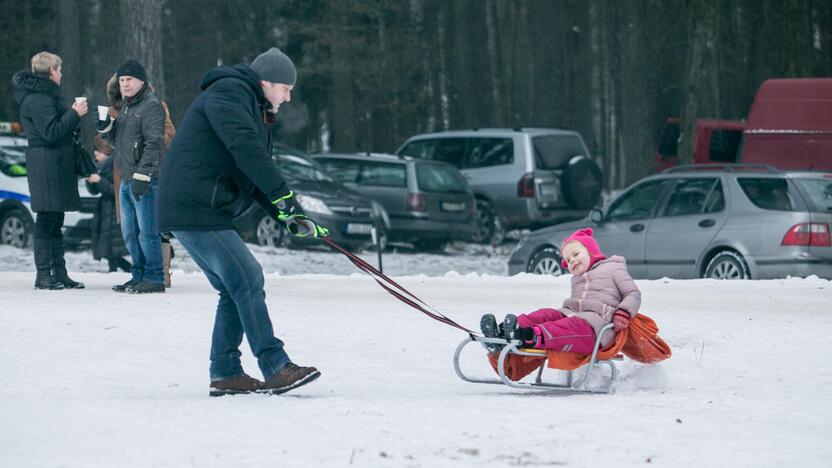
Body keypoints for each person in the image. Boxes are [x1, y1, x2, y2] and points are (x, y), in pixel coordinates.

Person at [157, 47, 328, 396]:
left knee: (233, 288)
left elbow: (251, 173)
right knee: (248, 277)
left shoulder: (249, 105)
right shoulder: (229, 94)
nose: (289, 96)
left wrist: (290, 217)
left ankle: (225, 372)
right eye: (285, 88)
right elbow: (246, 151)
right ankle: (275, 366)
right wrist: (288, 202)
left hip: (197, 207)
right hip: (194, 207)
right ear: (266, 82)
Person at [481, 228, 641, 354]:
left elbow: (633, 293)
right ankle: (502, 333)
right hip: (572, 313)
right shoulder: (577, 278)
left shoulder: (613, 267)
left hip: (596, 327)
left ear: (591, 251)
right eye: (568, 260)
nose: (572, 261)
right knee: (546, 314)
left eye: (576, 254)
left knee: (568, 326)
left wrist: (623, 312)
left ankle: (529, 336)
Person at [12, 51, 87, 290]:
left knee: (55, 218)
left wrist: (73, 119)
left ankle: (59, 273)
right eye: (60, 69)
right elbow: (51, 132)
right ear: (52, 71)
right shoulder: (39, 99)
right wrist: (74, 114)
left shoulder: (42, 96)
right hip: (46, 163)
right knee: (46, 219)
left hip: (52, 163)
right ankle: (44, 275)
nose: (61, 73)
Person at [95, 73, 176, 286]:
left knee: (149, 231)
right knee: (131, 232)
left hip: (146, 174)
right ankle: (140, 275)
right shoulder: (123, 109)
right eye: (121, 82)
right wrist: (104, 129)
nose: (125, 85)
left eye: (129, 80)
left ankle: (158, 275)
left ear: (141, 82)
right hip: (124, 176)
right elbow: (108, 146)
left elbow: (162, 139)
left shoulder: (154, 106)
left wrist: (141, 148)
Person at [86, 150, 130, 273]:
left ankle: (123, 270)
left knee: (112, 245)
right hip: (105, 209)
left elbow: (116, 190)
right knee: (107, 245)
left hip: (115, 209)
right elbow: (94, 191)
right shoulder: (101, 167)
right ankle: (117, 270)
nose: (96, 157)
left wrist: (100, 180)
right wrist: (90, 180)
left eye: (99, 154)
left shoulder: (117, 166)